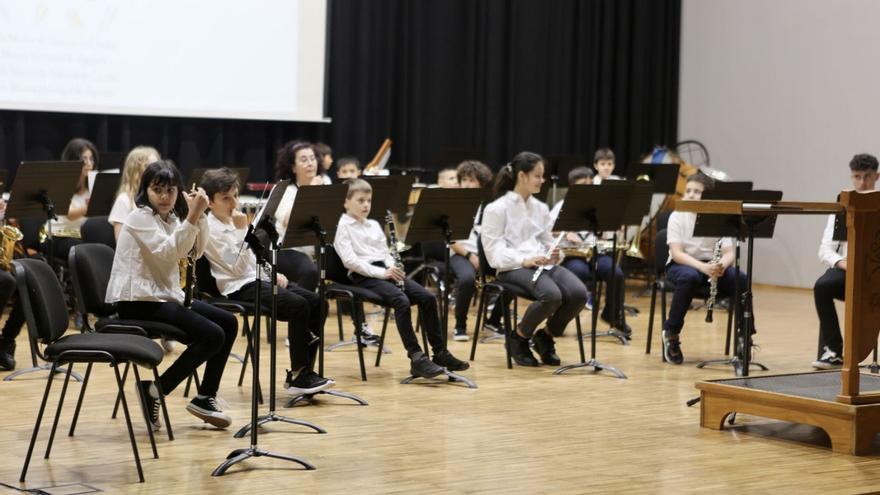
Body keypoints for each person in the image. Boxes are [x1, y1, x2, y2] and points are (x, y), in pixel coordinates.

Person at [107, 160, 237, 429]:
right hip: (137, 301)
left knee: (229, 322)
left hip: (162, 296)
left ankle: (205, 396)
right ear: (146, 191)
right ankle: (156, 390)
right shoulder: (139, 217)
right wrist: (192, 217)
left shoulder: (171, 219)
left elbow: (196, 252)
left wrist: (198, 216)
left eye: (171, 190)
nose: (165, 197)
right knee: (213, 335)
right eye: (158, 190)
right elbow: (170, 252)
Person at [200, 168, 334, 395]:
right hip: (237, 288)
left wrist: (272, 274)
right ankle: (298, 373)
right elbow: (236, 267)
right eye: (225, 198)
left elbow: (254, 259)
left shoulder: (235, 221)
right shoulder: (210, 229)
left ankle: (303, 374)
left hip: (255, 280)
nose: (234, 203)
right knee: (298, 306)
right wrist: (243, 231)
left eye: (235, 195)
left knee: (318, 303)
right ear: (210, 203)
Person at [334, 179, 470, 378]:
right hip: (362, 276)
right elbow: (350, 261)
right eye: (360, 200)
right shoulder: (341, 226)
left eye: (369, 201)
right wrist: (383, 273)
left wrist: (393, 266)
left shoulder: (373, 224)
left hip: (385, 272)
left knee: (427, 298)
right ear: (346, 203)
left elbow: (385, 252)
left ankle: (440, 353)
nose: (366, 205)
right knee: (401, 301)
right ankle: (416, 358)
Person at [481, 152, 588, 366]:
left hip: (541, 264)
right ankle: (519, 338)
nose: (542, 180)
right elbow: (494, 253)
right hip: (511, 267)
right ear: (522, 176)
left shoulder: (540, 207)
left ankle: (545, 336)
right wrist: (525, 260)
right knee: (551, 295)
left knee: (579, 294)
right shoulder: (496, 209)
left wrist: (556, 253)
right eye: (538, 176)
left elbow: (548, 239)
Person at [661, 172, 747, 365]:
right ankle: (671, 334)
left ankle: (745, 335)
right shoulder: (677, 215)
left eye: (697, 192)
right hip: (683, 265)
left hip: (713, 266)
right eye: (688, 190)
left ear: (708, 196)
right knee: (689, 277)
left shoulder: (718, 216)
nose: (691, 195)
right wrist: (703, 267)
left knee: (740, 279)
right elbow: (676, 253)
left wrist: (721, 266)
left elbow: (729, 252)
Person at [812, 153, 879, 369]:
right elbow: (825, 249)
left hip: (876, 272)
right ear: (851, 177)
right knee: (822, 287)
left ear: (877, 177)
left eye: (867, 177)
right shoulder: (842, 205)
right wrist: (844, 263)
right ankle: (833, 350)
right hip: (849, 269)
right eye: (857, 177)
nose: (862, 182)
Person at [549, 167, 631, 336]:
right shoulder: (561, 206)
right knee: (578, 271)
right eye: (583, 184)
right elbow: (548, 229)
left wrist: (613, 226)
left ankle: (613, 315)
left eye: (590, 184)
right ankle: (560, 320)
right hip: (573, 255)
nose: (588, 187)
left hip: (595, 252)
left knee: (616, 273)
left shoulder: (598, 207)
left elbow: (607, 233)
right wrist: (565, 232)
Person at [447, 160, 496, 341]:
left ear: (482, 183)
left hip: (485, 254)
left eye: (471, 180)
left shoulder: (490, 206)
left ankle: (495, 321)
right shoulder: (454, 205)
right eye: (464, 180)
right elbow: (450, 239)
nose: (466, 184)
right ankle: (460, 326)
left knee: (513, 276)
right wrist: (470, 255)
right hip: (460, 253)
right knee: (467, 278)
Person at [273, 140, 323, 292]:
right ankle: (298, 310)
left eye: (313, 158)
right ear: (293, 167)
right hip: (287, 250)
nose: (310, 163)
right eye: (303, 160)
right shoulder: (283, 189)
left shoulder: (325, 185)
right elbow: (288, 220)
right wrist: (310, 192)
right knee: (311, 272)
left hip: (316, 250)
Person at [47, 138, 97, 260]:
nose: (89, 163)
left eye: (91, 159)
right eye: (84, 159)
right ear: (73, 160)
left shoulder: (93, 184)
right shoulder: (60, 184)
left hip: (83, 235)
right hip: (60, 236)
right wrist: (95, 204)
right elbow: (70, 214)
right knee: (87, 252)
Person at [108, 146, 161, 240]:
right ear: (136, 172)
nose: (158, 172)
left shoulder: (159, 199)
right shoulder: (124, 200)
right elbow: (121, 243)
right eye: (151, 167)